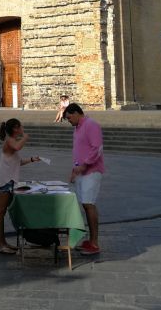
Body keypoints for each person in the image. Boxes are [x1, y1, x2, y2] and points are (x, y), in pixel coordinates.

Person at [0, 118, 40, 254]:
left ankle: (4, 243)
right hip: (5, 181)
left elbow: (17, 162)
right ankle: (1, 244)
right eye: (21, 126)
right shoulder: (10, 141)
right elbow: (18, 147)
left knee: (2, 212)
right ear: (15, 128)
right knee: (0, 212)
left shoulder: (11, 141)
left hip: (10, 181)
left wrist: (31, 159)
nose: (22, 128)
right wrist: (25, 137)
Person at [66, 103, 105, 256]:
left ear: (76, 113)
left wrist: (84, 165)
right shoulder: (77, 129)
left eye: (69, 118)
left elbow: (97, 148)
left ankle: (95, 243)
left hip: (91, 172)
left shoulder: (91, 125)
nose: (69, 121)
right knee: (85, 205)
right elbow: (78, 152)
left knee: (89, 204)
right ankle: (90, 239)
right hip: (81, 173)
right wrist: (75, 170)